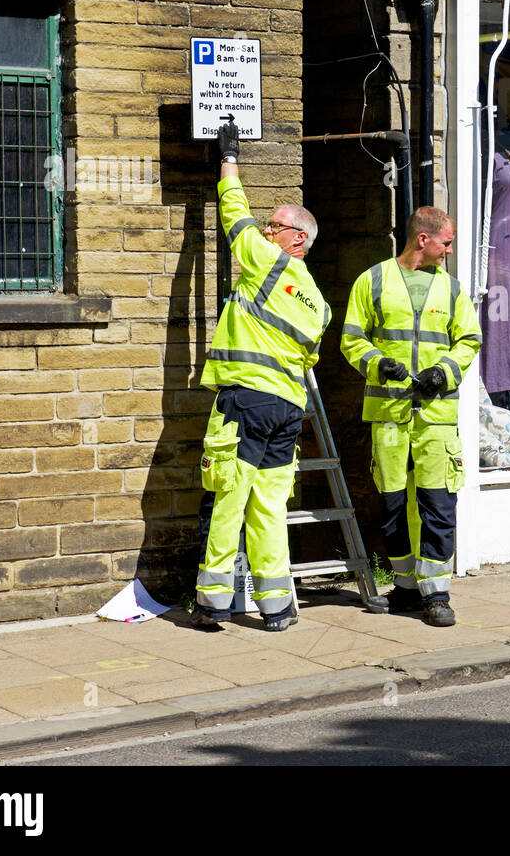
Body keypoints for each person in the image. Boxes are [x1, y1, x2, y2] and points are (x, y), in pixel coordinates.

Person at [193, 117, 329, 632]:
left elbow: (234, 216)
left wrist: (228, 159)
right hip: (289, 410)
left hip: (245, 403)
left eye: (275, 226)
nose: (266, 231)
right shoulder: (317, 300)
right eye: (269, 227)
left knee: (228, 497)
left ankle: (211, 604)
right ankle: (276, 608)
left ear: (297, 237)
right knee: (269, 508)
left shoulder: (269, 264)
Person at [341, 207, 481, 627]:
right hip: (388, 413)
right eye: (447, 243)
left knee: (437, 503)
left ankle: (437, 593)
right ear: (423, 239)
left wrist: (443, 372)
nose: (450, 251)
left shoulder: (453, 290)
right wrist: (377, 363)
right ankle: (405, 588)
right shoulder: (374, 280)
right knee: (393, 504)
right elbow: (352, 337)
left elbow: (470, 340)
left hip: (436, 415)